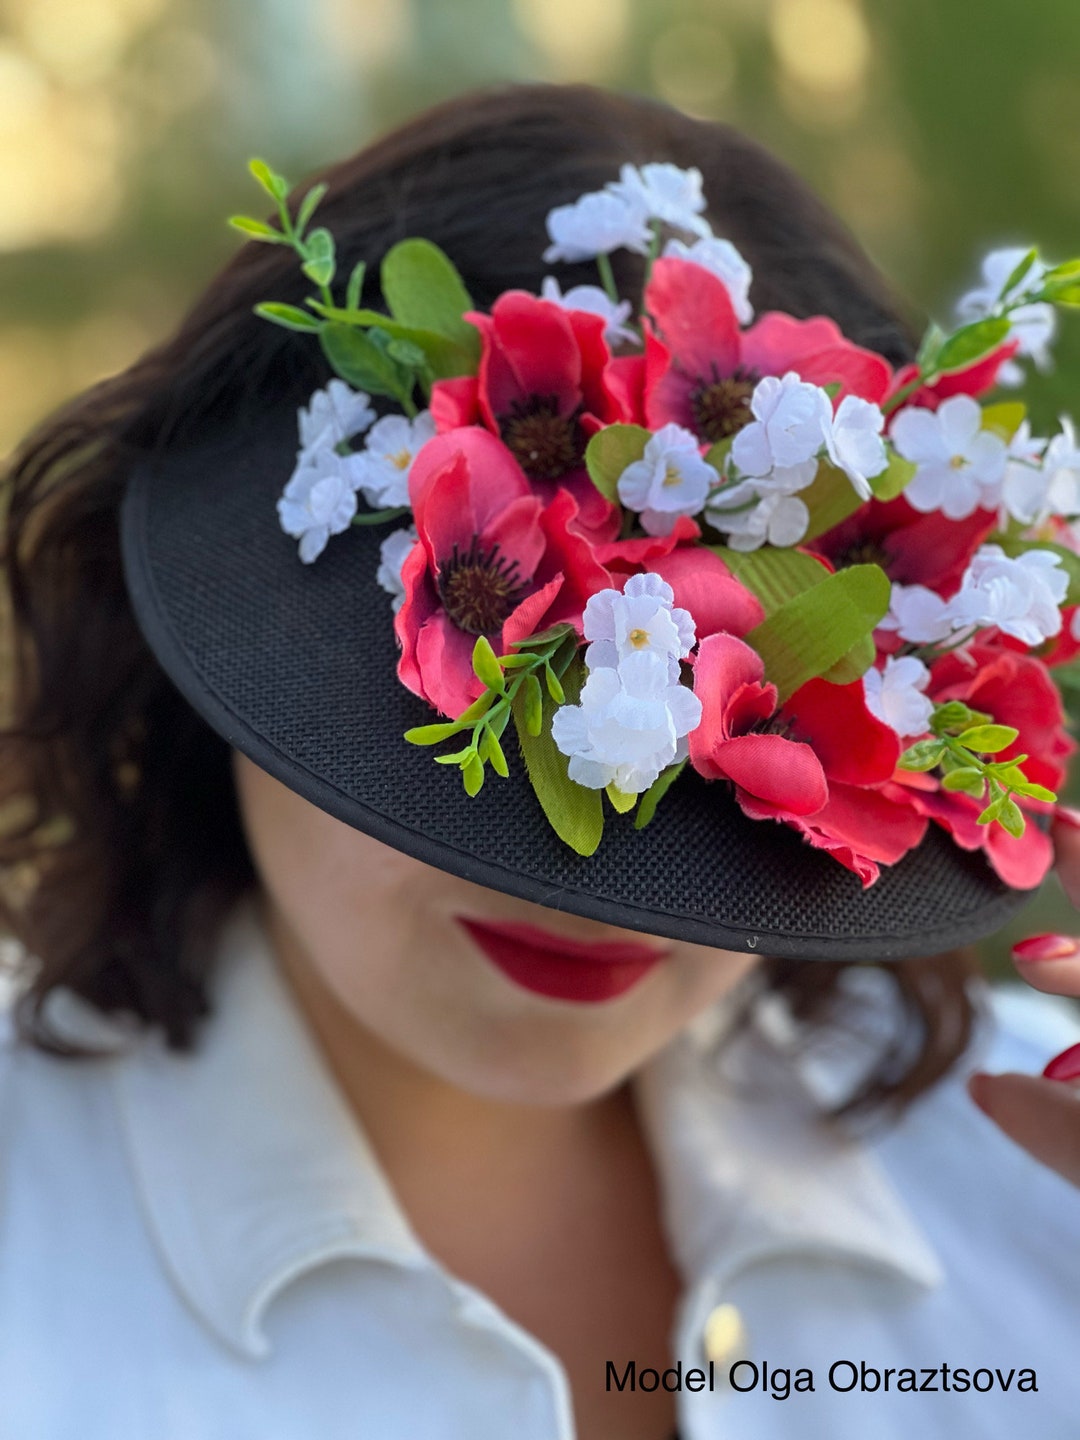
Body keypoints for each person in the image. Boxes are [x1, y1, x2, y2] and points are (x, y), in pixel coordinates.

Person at [0, 84, 1078, 1440]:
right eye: (478, 738)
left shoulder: (1042, 1177)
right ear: (225, 661)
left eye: (716, 754)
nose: (588, 871)